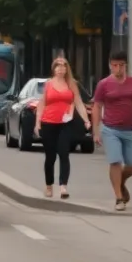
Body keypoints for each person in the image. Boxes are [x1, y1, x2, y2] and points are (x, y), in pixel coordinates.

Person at [92, 51, 132, 211]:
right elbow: (97, 106)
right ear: (110, 65)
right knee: (115, 161)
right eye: (114, 65)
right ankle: (119, 197)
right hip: (110, 129)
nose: (118, 69)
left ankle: (120, 181)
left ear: (125, 65)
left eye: (121, 65)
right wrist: (96, 131)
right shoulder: (103, 84)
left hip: (131, 129)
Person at [32, 56, 92, 199]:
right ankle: (49, 185)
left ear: (67, 69)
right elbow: (42, 104)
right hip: (48, 122)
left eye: (63, 66)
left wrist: (86, 120)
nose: (61, 68)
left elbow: (78, 103)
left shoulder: (71, 84)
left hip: (66, 123)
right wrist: (37, 122)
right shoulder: (48, 84)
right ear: (54, 69)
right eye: (58, 66)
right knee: (50, 156)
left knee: (64, 153)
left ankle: (63, 187)